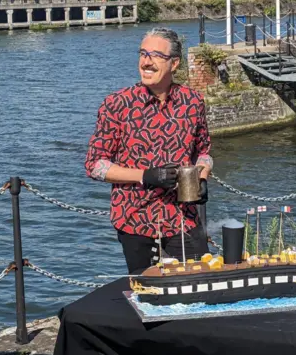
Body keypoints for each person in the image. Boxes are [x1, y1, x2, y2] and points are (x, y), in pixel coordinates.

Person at [85, 27, 213, 274]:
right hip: (135, 218)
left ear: (174, 64)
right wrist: (145, 176)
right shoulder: (117, 104)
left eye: (155, 55)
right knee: (148, 294)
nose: (146, 61)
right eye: (143, 54)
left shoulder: (193, 102)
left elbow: (204, 152)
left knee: (201, 282)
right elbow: (95, 165)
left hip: (182, 216)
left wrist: (203, 177)